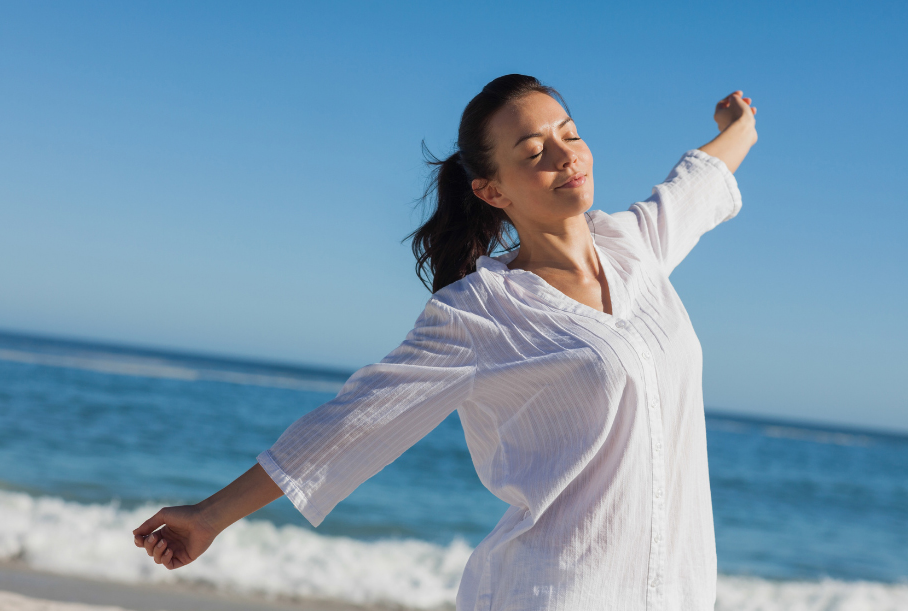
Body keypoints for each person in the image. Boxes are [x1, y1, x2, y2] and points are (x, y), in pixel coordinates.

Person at [133, 74, 757, 610]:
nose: (565, 157)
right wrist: (210, 515)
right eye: (533, 150)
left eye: (569, 133)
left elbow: (701, 176)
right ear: (492, 190)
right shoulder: (478, 313)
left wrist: (737, 123)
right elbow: (356, 421)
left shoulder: (634, 245)